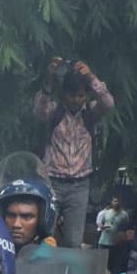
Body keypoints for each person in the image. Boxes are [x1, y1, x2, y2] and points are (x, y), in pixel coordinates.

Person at [34, 58, 115, 248]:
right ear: (64, 95)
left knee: (73, 241)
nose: (76, 100)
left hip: (79, 186)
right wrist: (50, 78)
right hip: (52, 182)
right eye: (72, 96)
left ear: (85, 95)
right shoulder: (54, 112)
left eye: (80, 96)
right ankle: (41, 272)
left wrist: (91, 76)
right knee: (45, 237)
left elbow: (109, 103)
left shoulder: (90, 114)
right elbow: (38, 109)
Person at [0, 178, 59, 251]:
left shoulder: (47, 251)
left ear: (41, 220)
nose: (16, 225)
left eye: (27, 217)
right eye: (11, 215)